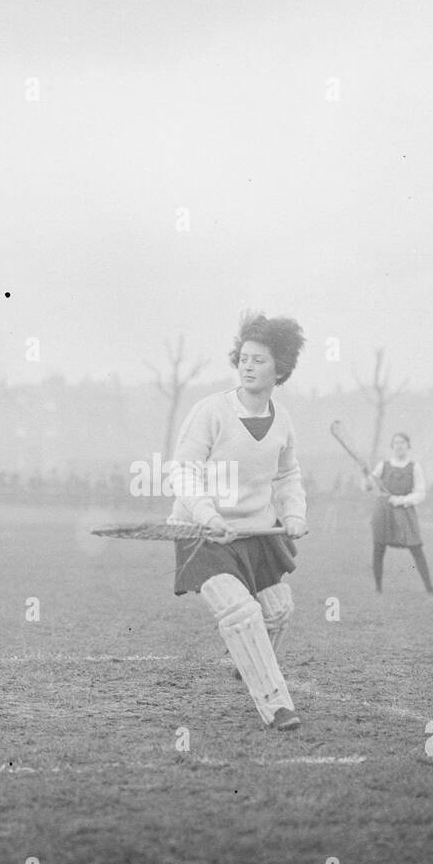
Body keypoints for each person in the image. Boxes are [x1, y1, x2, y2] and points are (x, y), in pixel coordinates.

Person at [168, 312, 308, 732]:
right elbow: (183, 470)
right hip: (203, 534)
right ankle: (276, 706)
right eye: (243, 358)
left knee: (278, 611)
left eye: (259, 360)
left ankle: (242, 661)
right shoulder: (211, 411)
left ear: (279, 368)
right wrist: (208, 515)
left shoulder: (282, 420)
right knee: (241, 613)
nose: (247, 366)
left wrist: (296, 513)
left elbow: (287, 476)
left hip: (256, 534)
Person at [368, 432, 433, 595]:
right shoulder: (383, 465)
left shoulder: (414, 467)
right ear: (392, 446)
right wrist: (366, 479)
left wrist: (401, 500)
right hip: (383, 510)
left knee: (416, 548)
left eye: (402, 443)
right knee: (378, 547)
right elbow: (370, 486)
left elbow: (420, 493)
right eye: (396, 443)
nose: (399, 446)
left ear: (408, 446)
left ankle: (430, 587)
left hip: (404, 511)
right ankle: (378, 589)